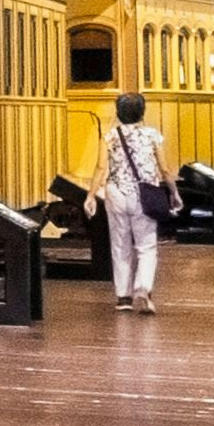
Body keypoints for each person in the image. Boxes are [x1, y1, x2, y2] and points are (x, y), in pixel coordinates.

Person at [93, 89, 171, 312]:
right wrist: (173, 192)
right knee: (146, 245)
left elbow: (100, 168)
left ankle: (123, 298)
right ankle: (143, 288)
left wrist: (90, 195)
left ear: (118, 113)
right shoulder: (152, 135)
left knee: (120, 245)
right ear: (142, 112)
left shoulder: (109, 136)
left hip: (116, 193)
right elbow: (164, 168)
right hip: (143, 194)